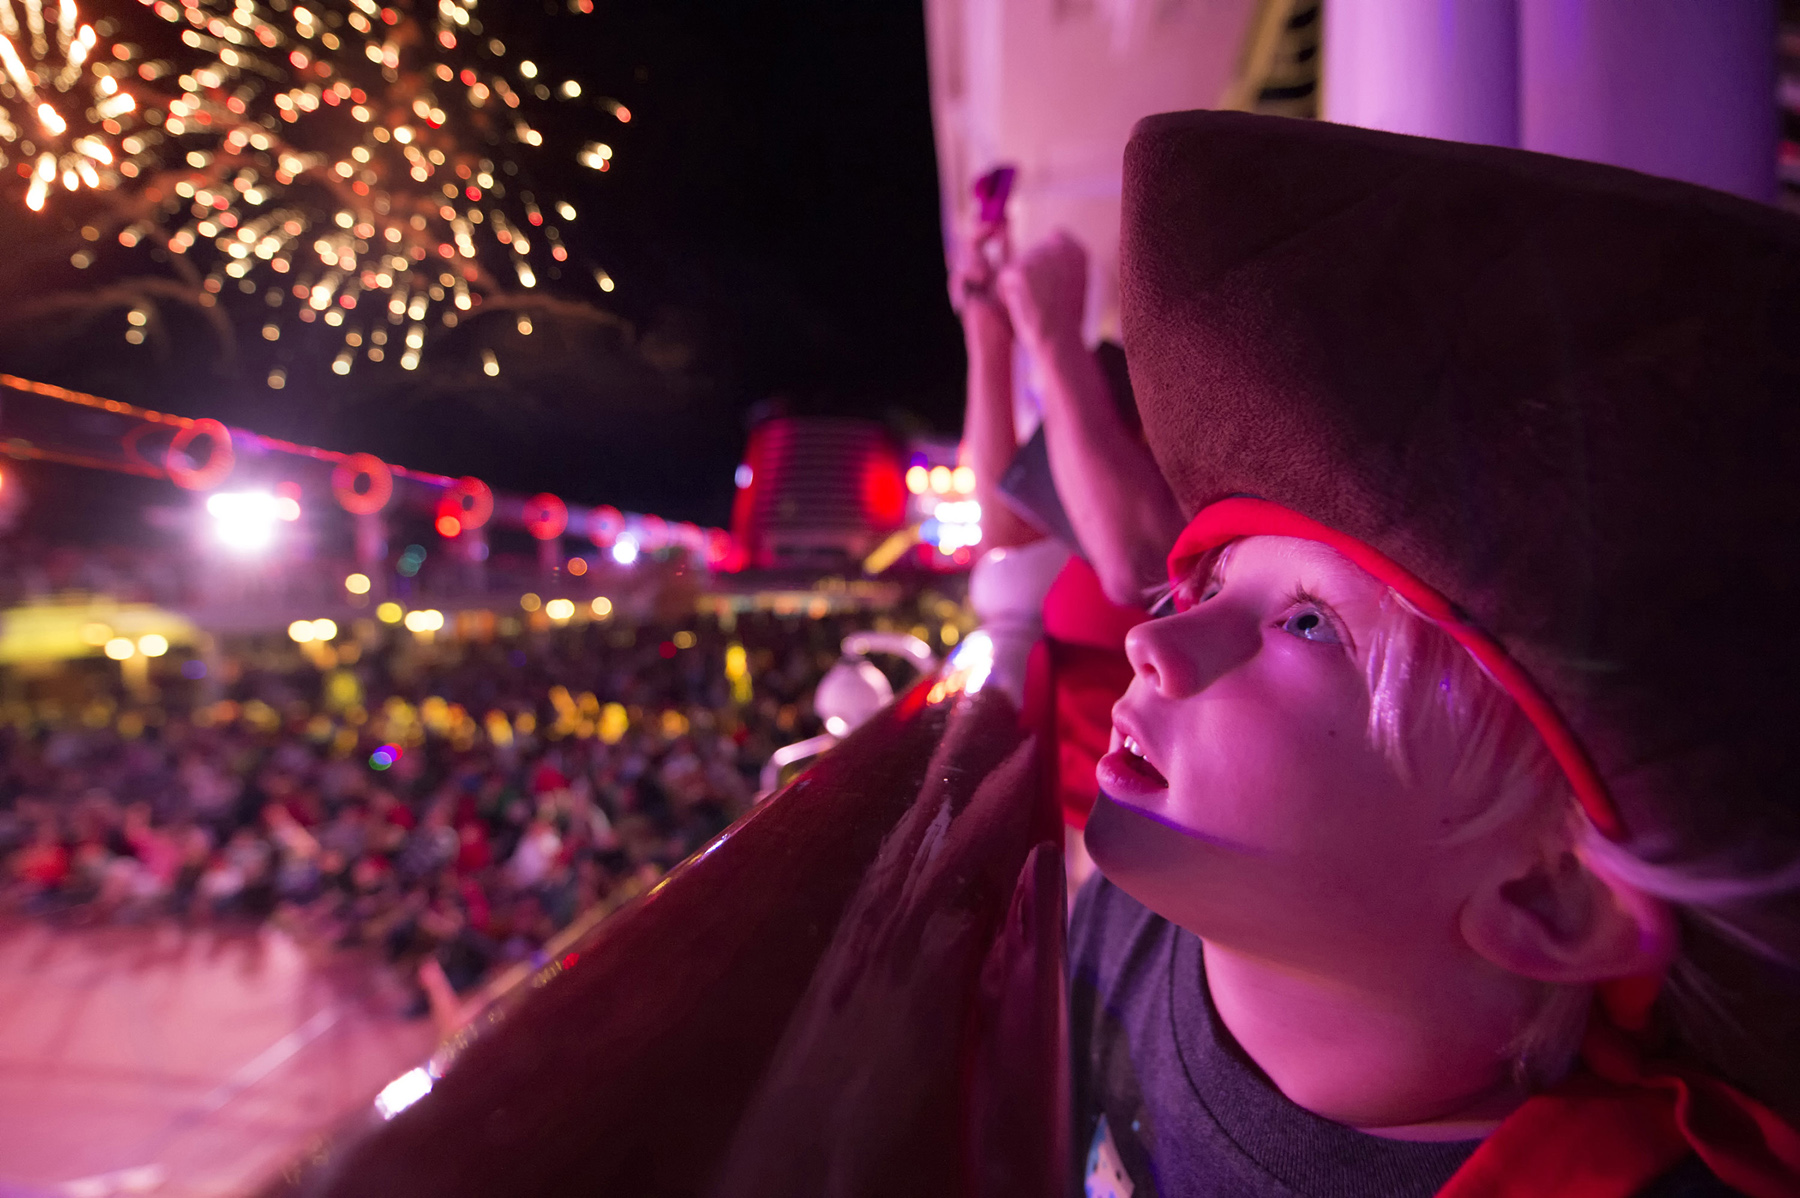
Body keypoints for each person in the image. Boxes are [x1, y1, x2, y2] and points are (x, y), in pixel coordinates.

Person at [1071, 111, 1800, 1197]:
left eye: (1309, 624)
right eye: (1212, 582)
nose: (1153, 638)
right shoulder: (1122, 914)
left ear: (1552, 897)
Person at [950, 207, 1186, 871]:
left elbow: (1144, 566)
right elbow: (1010, 525)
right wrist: (987, 332)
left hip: (1152, 832)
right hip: (1086, 815)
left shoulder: (1193, 444)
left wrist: (1053, 339)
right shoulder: (1127, 392)